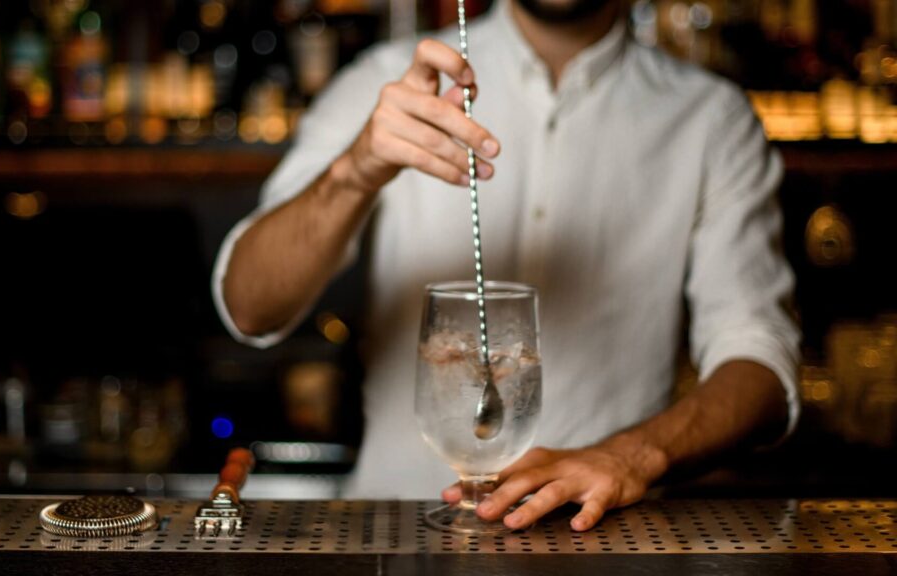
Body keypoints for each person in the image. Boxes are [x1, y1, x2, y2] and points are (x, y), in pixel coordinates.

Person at [213, 0, 800, 532]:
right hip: (399, 536)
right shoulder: (383, 80)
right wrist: (356, 169)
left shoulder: (712, 119)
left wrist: (633, 455)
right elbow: (249, 307)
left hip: (597, 543)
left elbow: (762, 363)